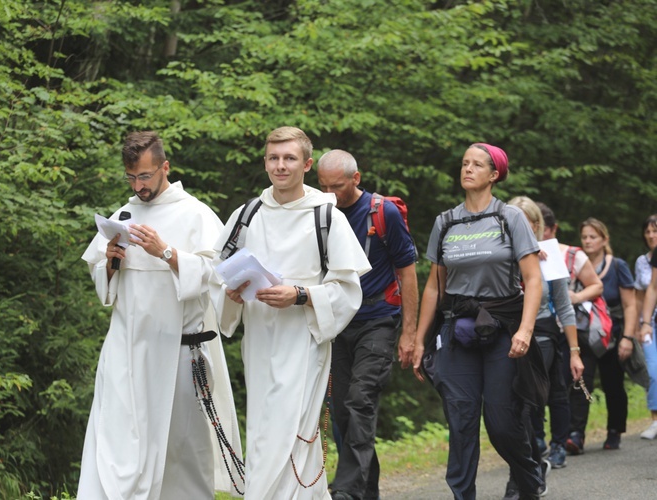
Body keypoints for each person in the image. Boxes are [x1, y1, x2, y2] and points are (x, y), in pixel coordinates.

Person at [79, 131, 242, 499]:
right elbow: (103, 286)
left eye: (146, 176)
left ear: (165, 167)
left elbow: (216, 276)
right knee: (116, 444)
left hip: (179, 352)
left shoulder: (196, 213)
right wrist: (109, 264)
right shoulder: (123, 214)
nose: (138, 186)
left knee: (182, 449)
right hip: (126, 350)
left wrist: (166, 252)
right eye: (132, 177)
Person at [210, 127, 371, 499]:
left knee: (293, 430)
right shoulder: (247, 214)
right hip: (260, 341)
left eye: (289, 158)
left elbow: (348, 291)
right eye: (273, 158)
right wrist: (232, 295)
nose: (280, 166)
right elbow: (216, 279)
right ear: (265, 161)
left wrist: (299, 295)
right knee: (266, 430)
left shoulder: (326, 216)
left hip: (304, 342)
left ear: (307, 164)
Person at [411, 143, 546, 499]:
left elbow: (533, 279)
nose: (467, 169)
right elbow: (432, 288)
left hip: (503, 328)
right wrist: (417, 338)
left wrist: (525, 331)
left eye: (477, 164)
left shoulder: (510, 218)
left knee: (502, 424)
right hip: (458, 330)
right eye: (464, 163)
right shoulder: (446, 222)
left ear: (494, 174)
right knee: (461, 421)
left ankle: (529, 483)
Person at [316, 149, 419, 500]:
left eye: (338, 186)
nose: (330, 194)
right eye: (324, 186)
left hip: (377, 320)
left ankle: (345, 489)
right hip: (337, 322)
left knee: (361, 400)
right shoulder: (318, 212)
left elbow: (408, 272)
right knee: (343, 410)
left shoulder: (382, 211)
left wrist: (409, 333)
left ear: (355, 179)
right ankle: (366, 491)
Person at [502, 197, 583, 493]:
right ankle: (534, 464)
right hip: (504, 335)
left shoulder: (548, 254)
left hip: (543, 336)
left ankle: (520, 479)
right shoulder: (497, 254)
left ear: (537, 226)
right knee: (510, 411)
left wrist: (575, 353)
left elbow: (564, 307)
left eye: (524, 221)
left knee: (525, 404)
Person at [535, 202, 603, 464]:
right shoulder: (519, 251)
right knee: (536, 388)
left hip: (564, 329)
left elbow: (593, 287)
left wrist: (574, 297)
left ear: (551, 229)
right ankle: (538, 438)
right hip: (535, 328)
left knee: (560, 388)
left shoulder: (568, 254)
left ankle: (561, 443)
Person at [567, 217, 638, 453]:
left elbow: (630, 305)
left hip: (613, 335)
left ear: (604, 239)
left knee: (612, 384)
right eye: (584, 237)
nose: (587, 241)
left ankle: (614, 430)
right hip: (583, 333)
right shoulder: (576, 264)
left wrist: (628, 337)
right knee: (580, 380)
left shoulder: (617, 266)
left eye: (593, 237)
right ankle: (576, 434)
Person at [634, 214, 657, 439]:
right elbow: (644, 293)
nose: (651, 235)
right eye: (648, 231)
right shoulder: (643, 261)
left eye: (655, 230)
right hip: (651, 323)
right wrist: (642, 323)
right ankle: (655, 420)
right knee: (653, 371)